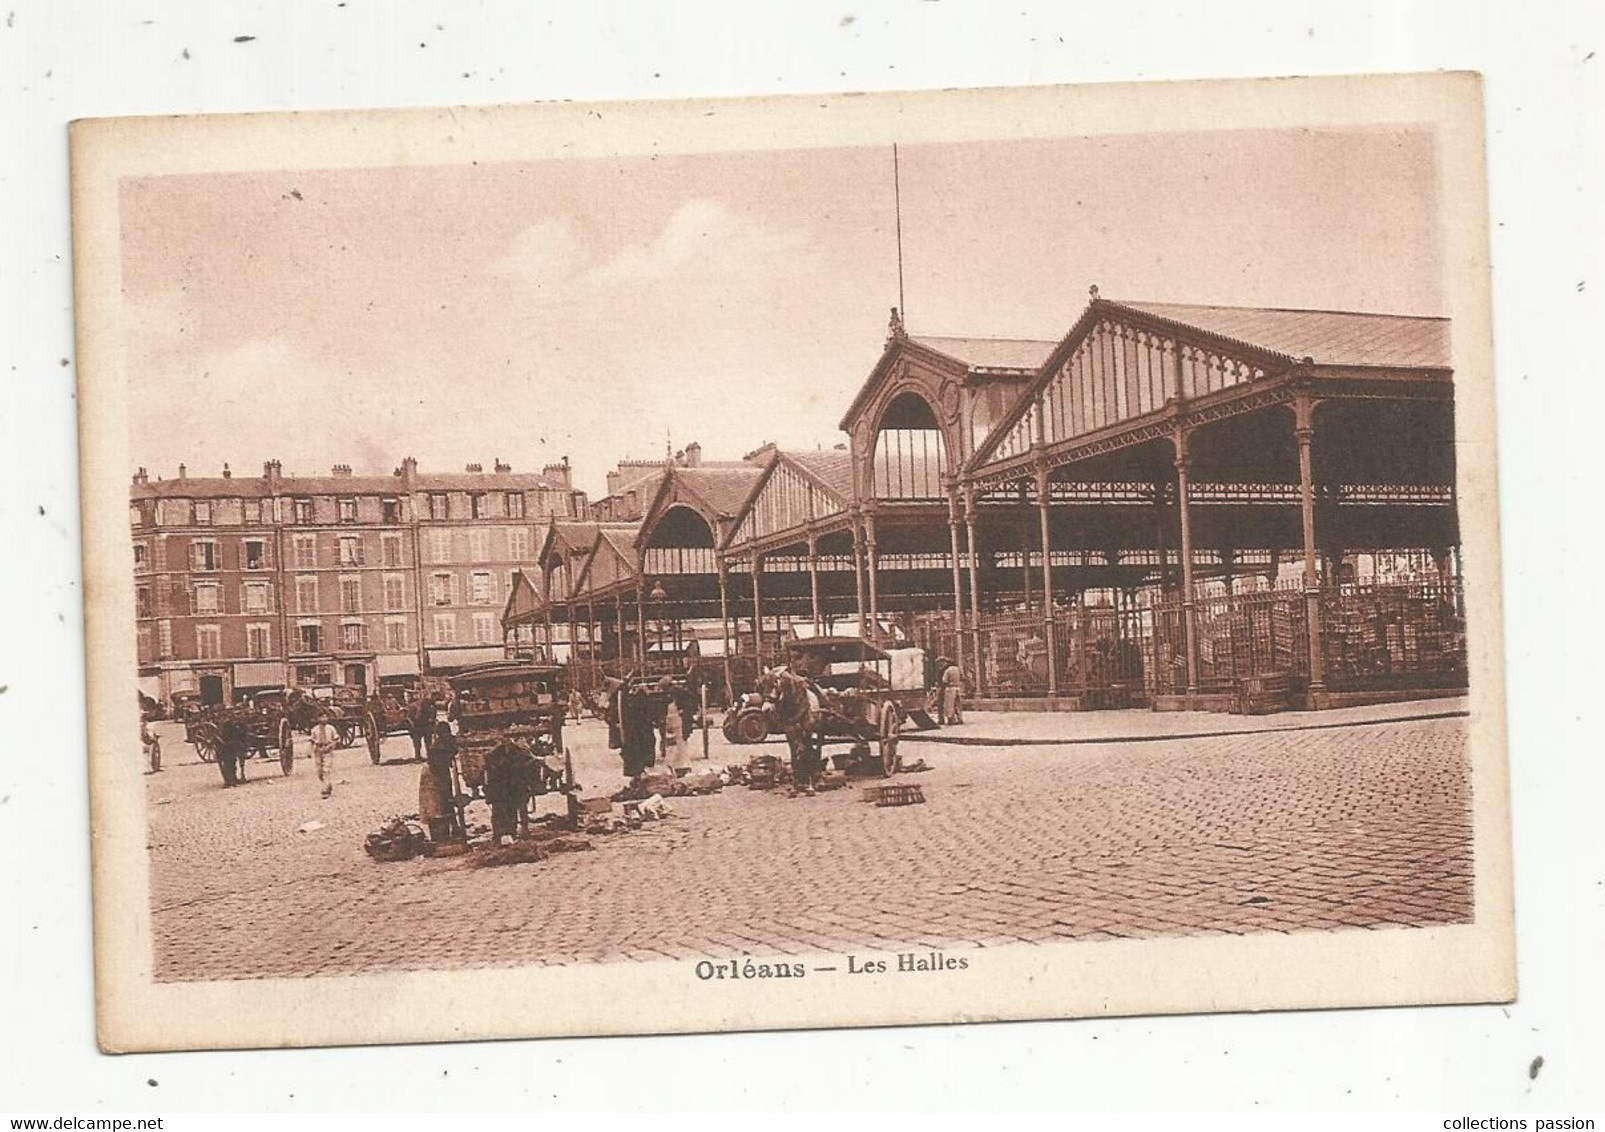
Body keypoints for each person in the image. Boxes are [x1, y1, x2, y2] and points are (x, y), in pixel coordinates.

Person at [419, 720, 460, 842]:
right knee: (439, 801)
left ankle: (452, 827)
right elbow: (438, 768)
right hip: (433, 775)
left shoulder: (443, 742)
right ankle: (444, 830)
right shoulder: (438, 747)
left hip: (439, 772)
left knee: (445, 798)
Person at [309, 712, 341, 799]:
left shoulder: (331, 729)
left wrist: (331, 746)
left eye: (325, 717)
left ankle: (325, 790)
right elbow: (312, 741)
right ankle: (328, 784)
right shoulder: (314, 730)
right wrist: (310, 752)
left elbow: (336, 739)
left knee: (326, 770)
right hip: (318, 751)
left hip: (328, 750)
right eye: (321, 717)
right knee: (319, 772)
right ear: (318, 719)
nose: (324, 719)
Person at [215, 718, 248, 788]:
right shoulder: (229, 727)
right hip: (226, 748)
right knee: (229, 764)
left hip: (229, 747)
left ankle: (232, 780)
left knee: (231, 763)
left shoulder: (232, 726)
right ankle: (229, 781)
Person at [407, 693, 438, 762]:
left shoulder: (431, 705)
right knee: (421, 742)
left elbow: (433, 716)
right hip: (417, 725)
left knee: (426, 741)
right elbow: (412, 717)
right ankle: (419, 756)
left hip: (424, 725)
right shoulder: (419, 706)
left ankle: (426, 755)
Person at [938, 656, 964, 725]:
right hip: (957, 688)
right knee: (957, 704)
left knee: (949, 704)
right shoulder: (957, 669)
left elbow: (944, 681)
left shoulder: (947, 670)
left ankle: (951, 720)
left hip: (950, 688)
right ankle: (960, 718)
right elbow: (962, 677)